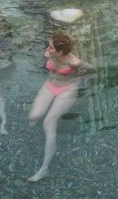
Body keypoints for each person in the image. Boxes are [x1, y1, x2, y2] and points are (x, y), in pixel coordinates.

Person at [27, 33, 95, 182]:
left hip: (67, 89)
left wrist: (78, 79)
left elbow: (92, 69)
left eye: (50, 47)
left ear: (60, 52)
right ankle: (37, 118)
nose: (47, 49)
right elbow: (47, 58)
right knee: (33, 116)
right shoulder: (49, 54)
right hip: (50, 85)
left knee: (48, 123)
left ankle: (44, 169)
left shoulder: (74, 62)